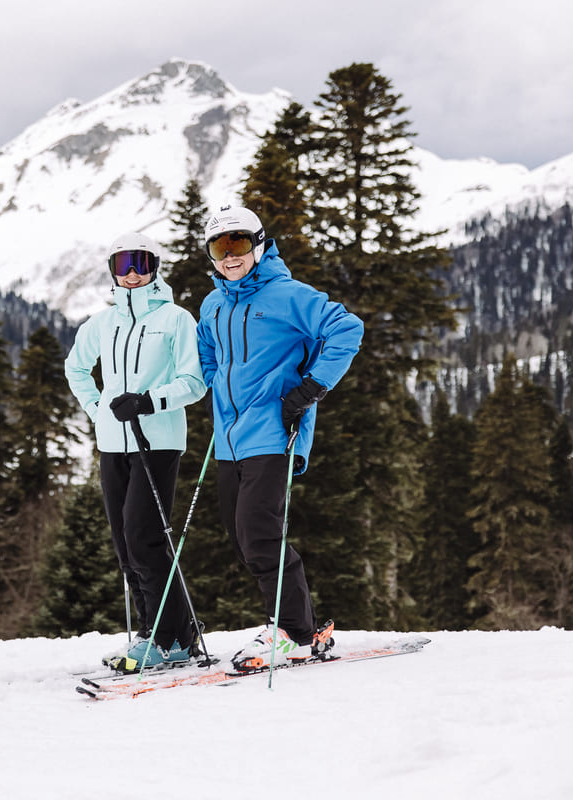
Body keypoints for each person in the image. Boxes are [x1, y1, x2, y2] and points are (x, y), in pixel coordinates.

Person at [196, 204, 364, 670]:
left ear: (260, 244)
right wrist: (215, 383)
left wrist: (311, 388)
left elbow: (347, 328)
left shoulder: (288, 295)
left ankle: (290, 633)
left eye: (239, 244)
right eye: (219, 247)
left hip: (274, 430)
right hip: (229, 437)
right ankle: (305, 628)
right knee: (239, 535)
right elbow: (207, 351)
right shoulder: (212, 304)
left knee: (259, 533)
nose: (230, 256)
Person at [64, 232, 207, 671]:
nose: (131, 273)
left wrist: (149, 401)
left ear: (154, 268)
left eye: (140, 263)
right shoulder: (101, 324)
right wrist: (98, 409)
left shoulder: (176, 319)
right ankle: (173, 636)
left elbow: (195, 382)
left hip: (159, 440)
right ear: (111, 268)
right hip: (113, 443)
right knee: (127, 545)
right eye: (123, 263)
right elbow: (75, 368)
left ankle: (161, 640)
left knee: (144, 538)